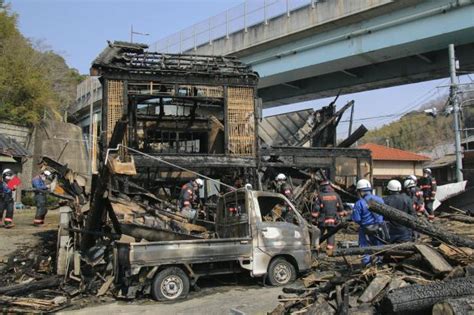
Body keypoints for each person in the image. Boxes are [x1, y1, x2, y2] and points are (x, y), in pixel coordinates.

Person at [352, 179, 387, 266]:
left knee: (365, 247)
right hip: (380, 227)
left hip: (365, 228)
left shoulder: (359, 203)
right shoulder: (380, 200)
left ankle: (367, 263)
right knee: (379, 246)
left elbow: (357, 219)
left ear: (360, 191)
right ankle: (379, 262)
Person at [311, 180, 345, 256]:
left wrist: (314, 217)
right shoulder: (336, 195)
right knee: (331, 234)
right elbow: (341, 208)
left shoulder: (320, 196)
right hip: (333, 220)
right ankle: (329, 250)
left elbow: (316, 208)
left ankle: (316, 248)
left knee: (319, 234)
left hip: (322, 220)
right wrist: (340, 215)